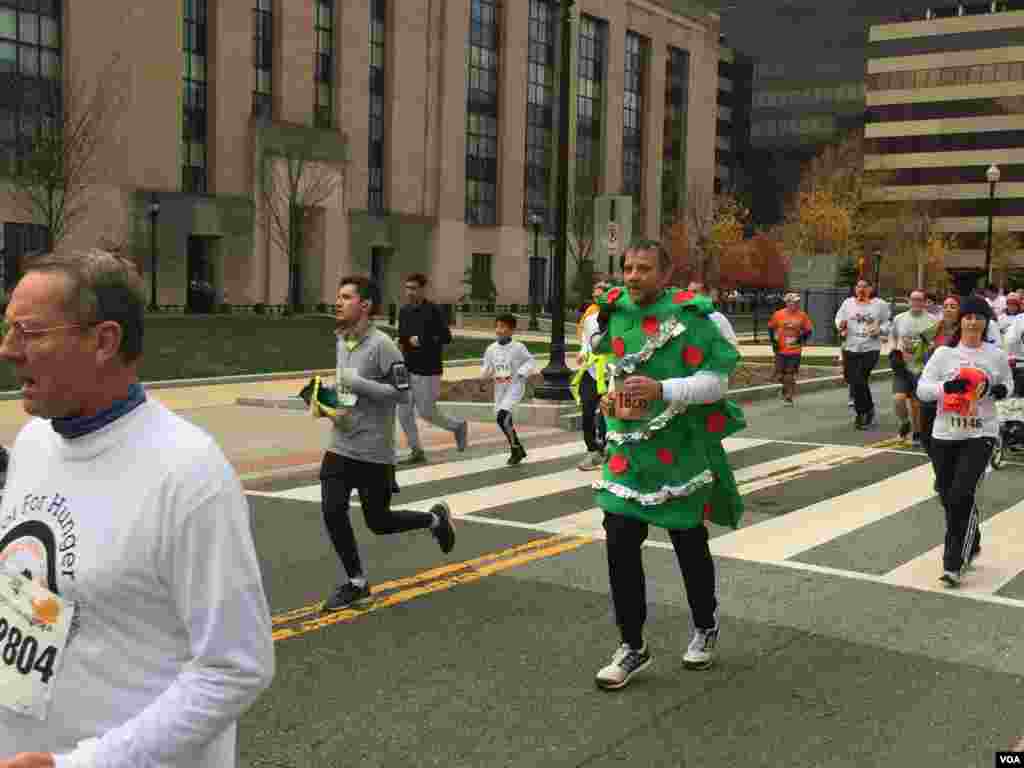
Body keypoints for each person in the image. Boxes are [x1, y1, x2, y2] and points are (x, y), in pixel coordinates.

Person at [0, 249, 274, 766]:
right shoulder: (34, 441)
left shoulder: (189, 473)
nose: (8, 349)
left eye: (29, 333)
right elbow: (34, 597)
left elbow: (236, 666)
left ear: (104, 341)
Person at [591, 242, 746, 690]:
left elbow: (716, 384)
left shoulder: (698, 318)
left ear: (665, 272)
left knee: (688, 543)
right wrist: (610, 397)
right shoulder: (612, 312)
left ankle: (705, 623)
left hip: (680, 451)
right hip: (629, 452)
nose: (632, 276)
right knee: (619, 540)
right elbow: (611, 364)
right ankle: (632, 645)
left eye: (642, 268)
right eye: (627, 267)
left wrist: (662, 389)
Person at [318, 276, 456, 612]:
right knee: (332, 510)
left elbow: (402, 393)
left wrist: (360, 384)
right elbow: (347, 389)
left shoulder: (383, 346)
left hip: (374, 452)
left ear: (364, 306)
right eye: (338, 296)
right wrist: (326, 402)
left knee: (378, 522)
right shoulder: (342, 342)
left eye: (346, 297)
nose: (338, 302)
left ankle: (434, 520)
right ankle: (356, 582)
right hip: (340, 445)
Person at [916, 296, 1012, 587]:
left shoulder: (994, 355)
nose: (973, 321)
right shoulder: (944, 354)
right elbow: (923, 390)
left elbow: (1007, 385)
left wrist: (997, 390)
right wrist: (947, 387)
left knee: (961, 493)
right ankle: (974, 536)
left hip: (979, 434)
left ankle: (953, 562)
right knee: (947, 494)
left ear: (986, 323)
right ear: (961, 322)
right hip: (945, 434)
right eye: (968, 316)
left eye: (978, 317)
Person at [396, 273, 468, 464]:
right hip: (406, 368)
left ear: (423, 289)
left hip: (428, 369)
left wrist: (422, 340)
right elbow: (403, 338)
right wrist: (399, 350)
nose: (410, 292)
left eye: (414, 288)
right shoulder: (404, 311)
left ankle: (457, 426)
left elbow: (446, 337)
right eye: (407, 288)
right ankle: (416, 451)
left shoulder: (434, 311)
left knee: (426, 412)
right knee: (402, 412)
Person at [481, 313, 537, 465]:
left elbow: (530, 362)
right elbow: (487, 367)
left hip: (514, 388)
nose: (499, 330)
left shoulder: (518, 347)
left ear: (511, 330)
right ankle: (517, 449)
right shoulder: (491, 349)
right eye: (497, 326)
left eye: (503, 327)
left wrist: (521, 373)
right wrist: (484, 376)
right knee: (504, 420)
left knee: (502, 417)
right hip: (499, 389)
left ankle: (515, 449)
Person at [835, 279, 890, 429]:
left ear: (870, 289)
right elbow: (839, 319)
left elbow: (887, 323)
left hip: (870, 347)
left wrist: (880, 330)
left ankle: (861, 414)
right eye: (859, 286)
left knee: (859, 378)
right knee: (853, 379)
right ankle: (869, 408)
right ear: (855, 288)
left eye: (865, 286)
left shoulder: (880, 304)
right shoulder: (848, 303)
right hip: (850, 346)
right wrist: (841, 326)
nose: (861, 289)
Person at [888, 290, 936, 446]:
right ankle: (904, 422)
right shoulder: (899, 319)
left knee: (916, 404)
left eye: (919, 300)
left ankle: (917, 433)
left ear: (924, 302)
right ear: (909, 301)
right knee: (898, 399)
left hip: (922, 367)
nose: (916, 302)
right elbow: (893, 336)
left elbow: (936, 341)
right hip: (903, 366)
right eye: (913, 299)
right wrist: (894, 350)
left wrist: (930, 349)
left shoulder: (932, 320)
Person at [573, 274, 612, 470]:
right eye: (595, 298)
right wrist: (582, 354)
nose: (598, 301)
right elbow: (585, 343)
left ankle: (606, 449)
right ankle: (593, 450)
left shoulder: (617, 318)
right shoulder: (589, 319)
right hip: (590, 371)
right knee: (587, 412)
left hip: (610, 374)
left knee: (607, 414)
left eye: (601, 297)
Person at [767, 292, 813, 406]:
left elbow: (808, 330)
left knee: (789, 373)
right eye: (794, 302)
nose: (796, 304)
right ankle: (787, 387)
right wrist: (774, 342)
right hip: (781, 349)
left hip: (794, 350)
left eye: (797, 302)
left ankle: (788, 396)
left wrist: (801, 339)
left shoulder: (802, 315)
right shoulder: (778, 314)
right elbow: (771, 328)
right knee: (780, 374)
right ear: (787, 303)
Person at [687, 281, 739, 346]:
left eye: (695, 292)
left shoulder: (717, 317)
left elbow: (732, 342)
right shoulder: (679, 316)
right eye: (688, 292)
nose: (689, 296)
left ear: (705, 295)